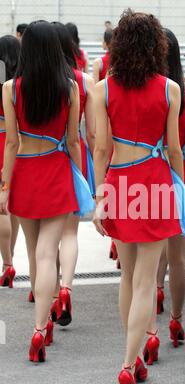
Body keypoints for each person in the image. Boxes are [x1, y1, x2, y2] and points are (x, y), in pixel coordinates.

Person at [93, 9, 185, 384]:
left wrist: (100, 198)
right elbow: (173, 149)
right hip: (155, 184)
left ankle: (133, 359)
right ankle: (127, 362)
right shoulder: (171, 89)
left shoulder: (102, 89)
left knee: (127, 278)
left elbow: (101, 148)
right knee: (146, 282)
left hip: (119, 184)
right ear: (157, 46)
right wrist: (183, 191)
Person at [0, 20, 82, 363]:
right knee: (49, 253)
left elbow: (12, 142)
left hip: (25, 173)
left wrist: (4, 185)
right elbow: (73, 140)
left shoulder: (10, 88)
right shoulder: (70, 87)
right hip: (57, 170)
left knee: (35, 254)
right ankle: (39, 327)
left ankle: (42, 320)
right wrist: (81, 177)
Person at [145, 28, 185, 360]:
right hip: (177, 181)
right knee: (178, 257)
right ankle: (176, 321)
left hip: (143, 180)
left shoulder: (142, 91)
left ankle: (150, 307)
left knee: (149, 256)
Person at [46, 22, 95, 326]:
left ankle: (52, 294)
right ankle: (67, 287)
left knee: (45, 237)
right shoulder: (83, 82)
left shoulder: (34, 82)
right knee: (69, 233)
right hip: (76, 158)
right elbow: (90, 134)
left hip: (43, 160)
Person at [0, 35, 20, 289]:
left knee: (1, 207)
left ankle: (7, 263)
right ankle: (10, 258)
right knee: (11, 205)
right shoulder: (20, 84)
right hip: (17, 145)